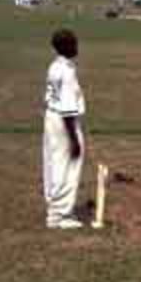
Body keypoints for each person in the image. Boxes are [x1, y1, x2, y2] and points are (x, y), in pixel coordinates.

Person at [43, 28, 87, 229]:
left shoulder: (54, 66)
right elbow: (69, 109)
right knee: (66, 165)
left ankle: (55, 210)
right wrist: (74, 140)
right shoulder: (67, 72)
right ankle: (60, 215)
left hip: (52, 118)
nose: (77, 47)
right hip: (63, 122)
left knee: (54, 163)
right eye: (74, 43)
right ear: (66, 46)